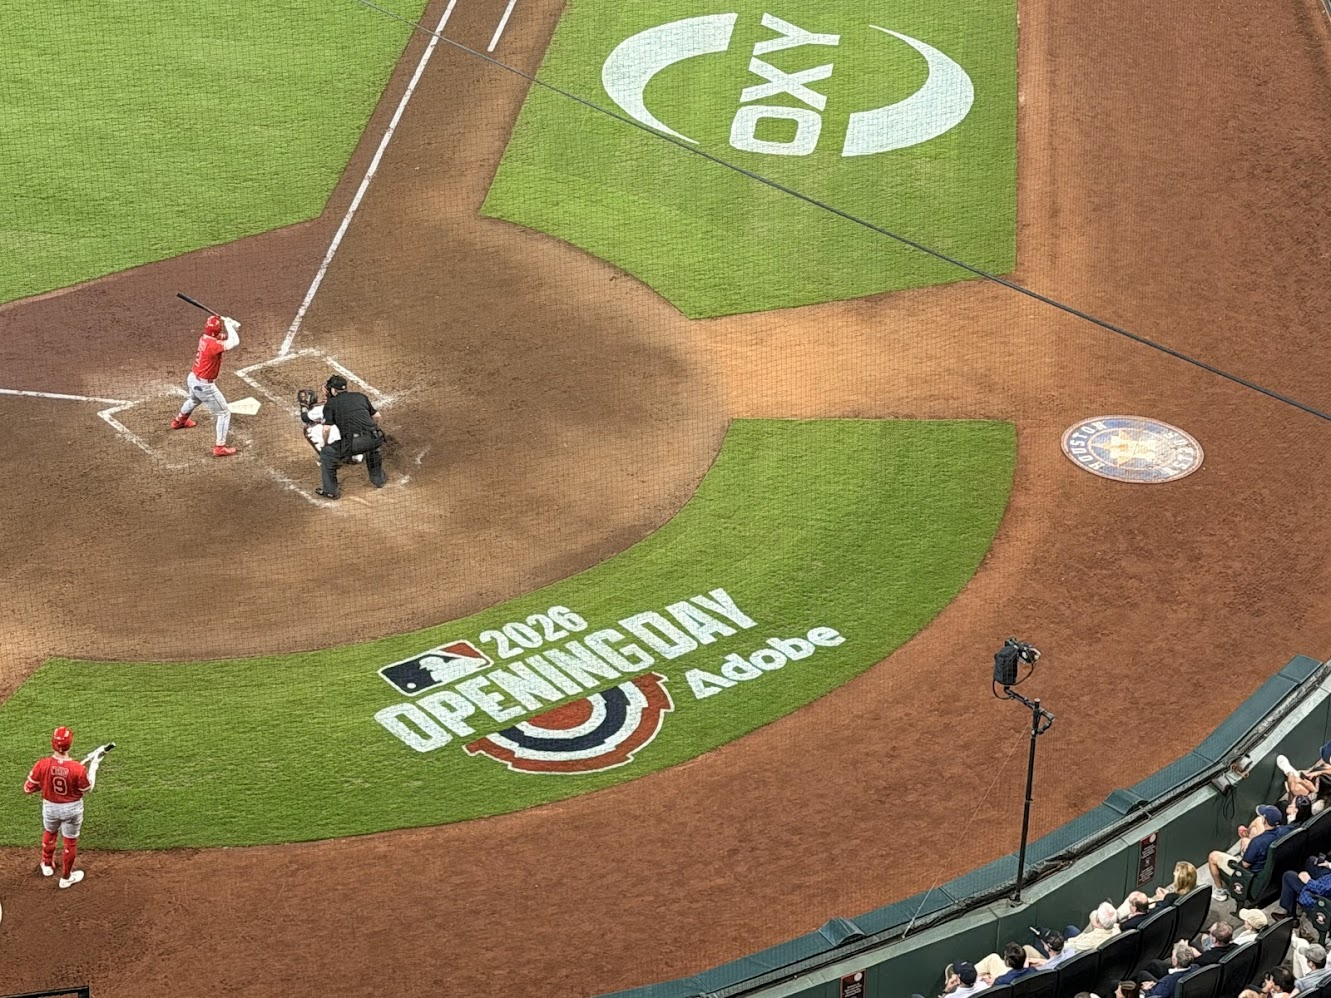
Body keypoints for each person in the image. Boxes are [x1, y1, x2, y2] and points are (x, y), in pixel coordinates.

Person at [23, 727, 113, 889]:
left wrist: (44, 784)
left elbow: (28, 788)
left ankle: (47, 865)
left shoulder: (42, 765)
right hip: (72, 809)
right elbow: (87, 788)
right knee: (70, 842)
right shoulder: (77, 768)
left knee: (50, 832)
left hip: (50, 808)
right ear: (70, 744)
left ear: (52, 743)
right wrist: (95, 765)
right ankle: (66, 878)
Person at [171, 313, 241, 457]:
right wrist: (229, 325)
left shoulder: (205, 338)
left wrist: (232, 328)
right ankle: (220, 447)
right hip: (204, 386)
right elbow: (234, 342)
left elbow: (225, 338)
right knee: (223, 413)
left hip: (193, 379)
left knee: (194, 400)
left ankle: (179, 421)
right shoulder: (213, 345)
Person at [314, 375, 386, 499]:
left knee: (326, 454)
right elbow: (377, 416)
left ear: (333, 390)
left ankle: (330, 491)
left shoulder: (331, 404)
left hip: (354, 443)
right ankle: (378, 480)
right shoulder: (360, 396)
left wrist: (325, 445)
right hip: (375, 438)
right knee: (372, 448)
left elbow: (326, 429)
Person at [1208, 810, 1281, 901]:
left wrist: (1246, 851)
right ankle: (1246, 838)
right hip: (1267, 867)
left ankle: (1220, 892)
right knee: (1245, 840)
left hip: (1250, 873)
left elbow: (1245, 864)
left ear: (1265, 821)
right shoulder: (1283, 831)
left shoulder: (1257, 842)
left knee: (1212, 856)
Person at [297, 388, 364, 464]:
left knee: (308, 429)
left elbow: (305, 417)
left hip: (337, 443)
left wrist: (303, 406)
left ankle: (330, 456)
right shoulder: (337, 403)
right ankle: (356, 454)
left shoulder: (315, 410)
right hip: (353, 441)